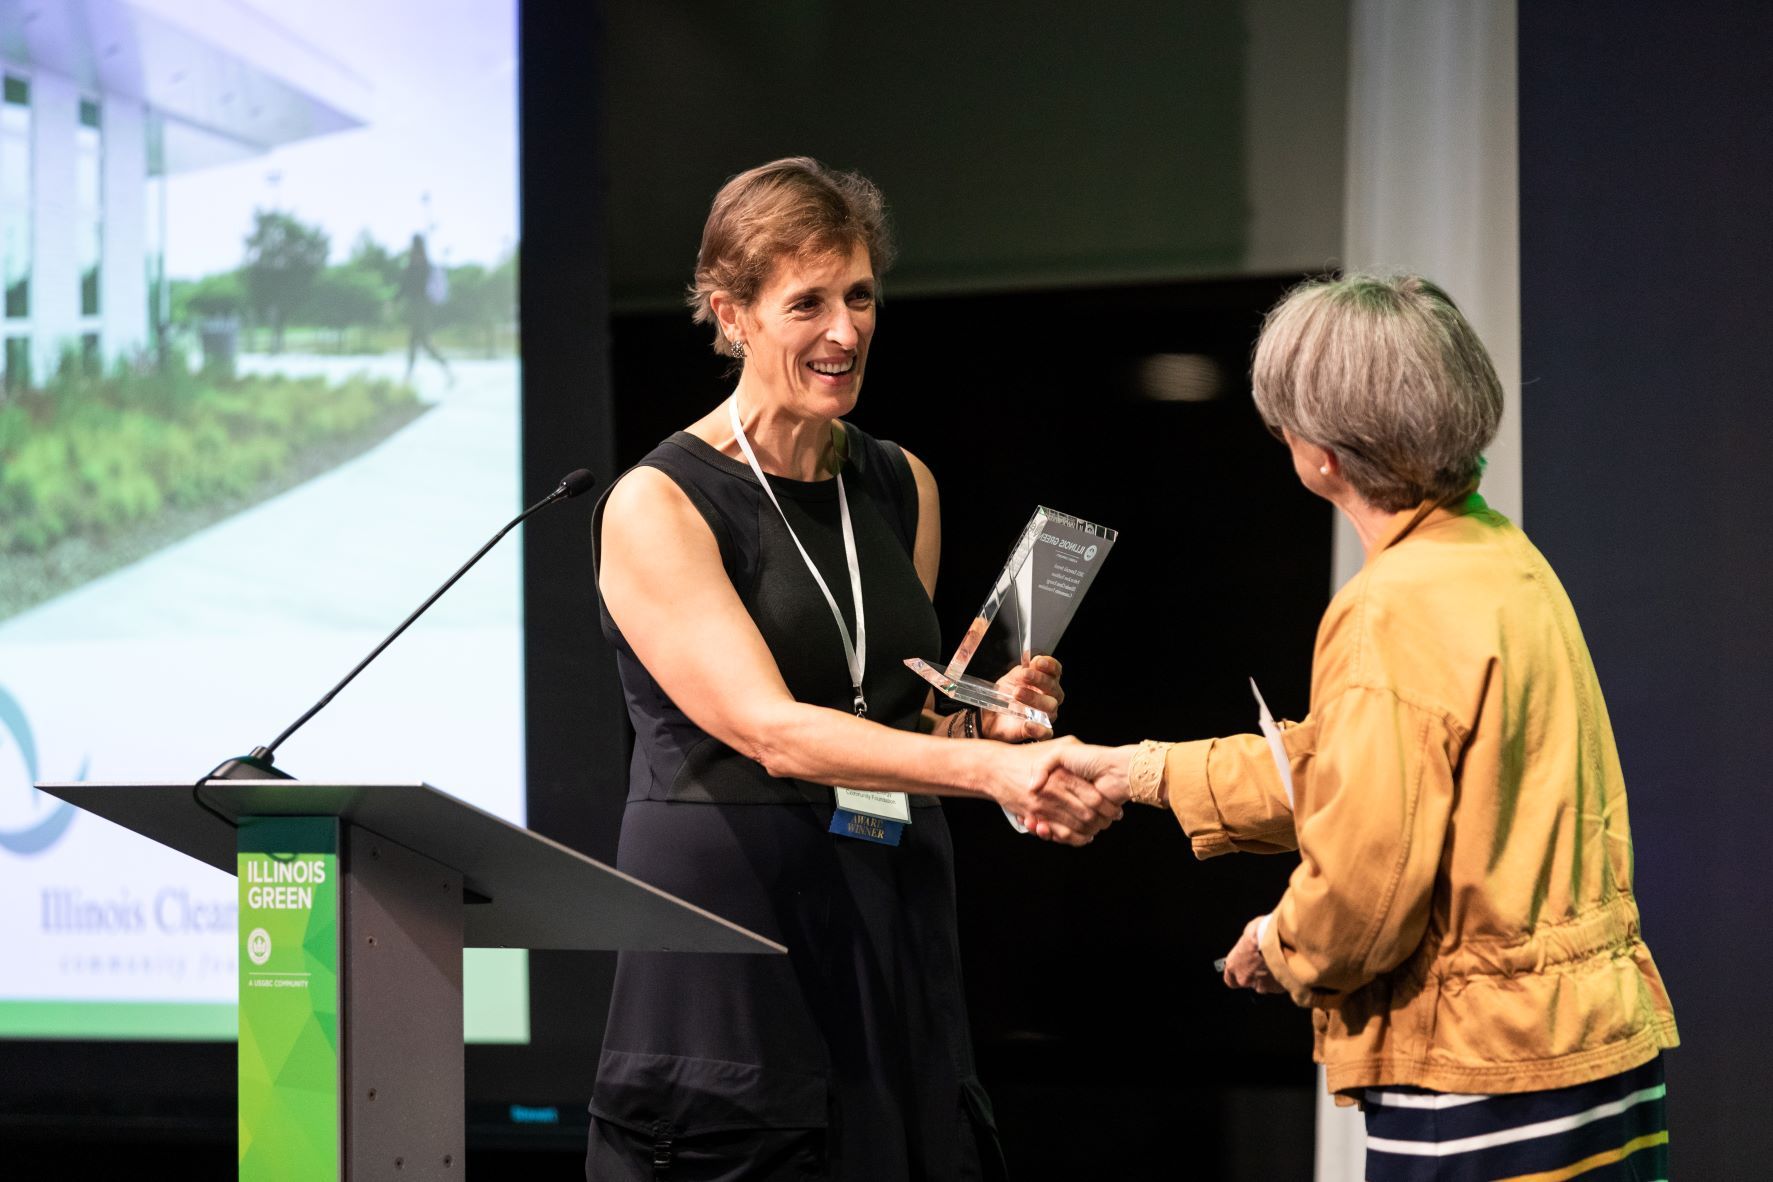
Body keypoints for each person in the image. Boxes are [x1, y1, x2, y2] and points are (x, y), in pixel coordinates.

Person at [1058, 274, 1678, 1180]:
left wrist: (1281, 947)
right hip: (1592, 1044)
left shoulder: (1389, 606)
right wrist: (1139, 771)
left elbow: (1366, 881)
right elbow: (1362, 769)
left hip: (1486, 1072)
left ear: (1320, 454)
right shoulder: (1500, 556)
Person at [588, 157, 1119, 1181]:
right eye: (809, 302)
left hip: (888, 919)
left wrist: (981, 726)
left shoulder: (898, 483)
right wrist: (990, 775)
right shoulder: (660, 504)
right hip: (738, 947)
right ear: (729, 313)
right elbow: (774, 732)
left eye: (862, 295)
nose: (846, 329)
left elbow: (890, 726)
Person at [399, 232, 453, 385]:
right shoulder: (423, 263)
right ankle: (411, 375)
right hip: (421, 308)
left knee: (421, 343)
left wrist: (395, 300)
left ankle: (410, 375)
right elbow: (406, 286)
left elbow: (405, 286)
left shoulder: (417, 264)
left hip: (419, 308)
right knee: (417, 343)